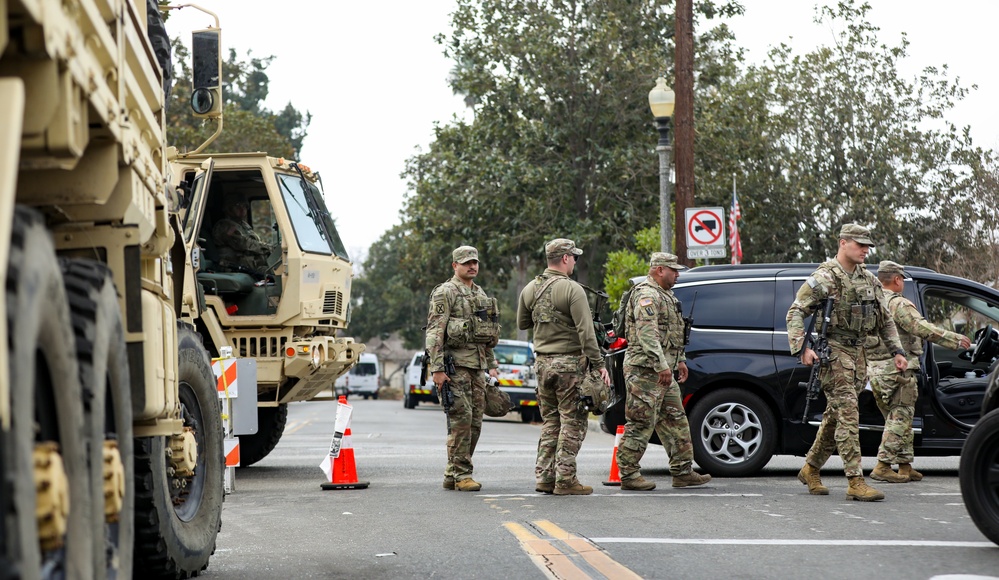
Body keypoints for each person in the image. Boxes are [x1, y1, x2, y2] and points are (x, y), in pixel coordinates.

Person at [787, 223, 908, 502]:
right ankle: (855, 480)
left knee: (835, 416)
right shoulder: (825, 277)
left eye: (867, 246)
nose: (865, 250)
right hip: (834, 352)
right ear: (843, 243)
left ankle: (810, 468)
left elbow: (885, 319)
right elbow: (795, 311)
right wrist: (801, 348)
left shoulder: (869, 280)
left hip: (860, 354)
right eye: (860, 244)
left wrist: (897, 351)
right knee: (849, 415)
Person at [516, 238, 611, 496]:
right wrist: (600, 364)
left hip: (543, 365)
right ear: (566, 258)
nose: (575, 262)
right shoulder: (572, 289)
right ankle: (566, 480)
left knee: (550, 422)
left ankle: (545, 477)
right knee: (573, 422)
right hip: (569, 365)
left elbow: (523, 323)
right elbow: (586, 332)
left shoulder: (530, 289)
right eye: (574, 257)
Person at [867, 260, 971, 483]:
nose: (902, 282)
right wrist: (954, 339)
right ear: (896, 279)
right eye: (902, 279)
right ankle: (883, 466)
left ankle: (905, 466)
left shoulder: (872, 303)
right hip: (897, 371)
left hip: (875, 370)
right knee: (901, 418)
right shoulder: (898, 304)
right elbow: (920, 328)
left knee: (897, 418)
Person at [614, 252, 711, 491]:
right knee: (641, 421)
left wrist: (679, 361)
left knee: (675, 418)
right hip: (645, 370)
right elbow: (648, 335)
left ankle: (682, 472)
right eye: (673, 270)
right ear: (659, 270)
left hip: (663, 369)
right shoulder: (646, 295)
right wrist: (661, 365)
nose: (677, 274)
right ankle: (627, 474)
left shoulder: (666, 295)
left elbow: (671, 334)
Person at [425, 246, 501, 492]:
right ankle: (462, 473)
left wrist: (491, 365)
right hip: (454, 367)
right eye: (467, 262)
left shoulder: (480, 293)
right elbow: (435, 331)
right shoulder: (445, 292)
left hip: (477, 367)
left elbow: (485, 333)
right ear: (454, 265)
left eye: (475, 262)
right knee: (461, 421)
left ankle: (452, 473)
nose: (472, 266)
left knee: (476, 422)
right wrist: (436, 369)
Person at [212, 193, 273, 273]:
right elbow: (244, 243)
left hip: (249, 265)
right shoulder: (224, 226)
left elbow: (255, 242)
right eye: (237, 206)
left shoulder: (243, 224)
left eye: (244, 206)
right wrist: (269, 248)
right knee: (274, 272)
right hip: (235, 267)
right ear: (228, 208)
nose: (242, 209)